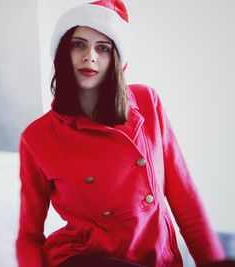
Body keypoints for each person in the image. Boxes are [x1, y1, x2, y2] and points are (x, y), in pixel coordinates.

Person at [16, 1, 231, 267]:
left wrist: (212, 262)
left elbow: (184, 198)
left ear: (116, 58)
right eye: (78, 44)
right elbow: (28, 234)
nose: (90, 56)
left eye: (103, 48)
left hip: (157, 258)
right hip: (86, 259)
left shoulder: (147, 101)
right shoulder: (38, 136)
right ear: (63, 52)